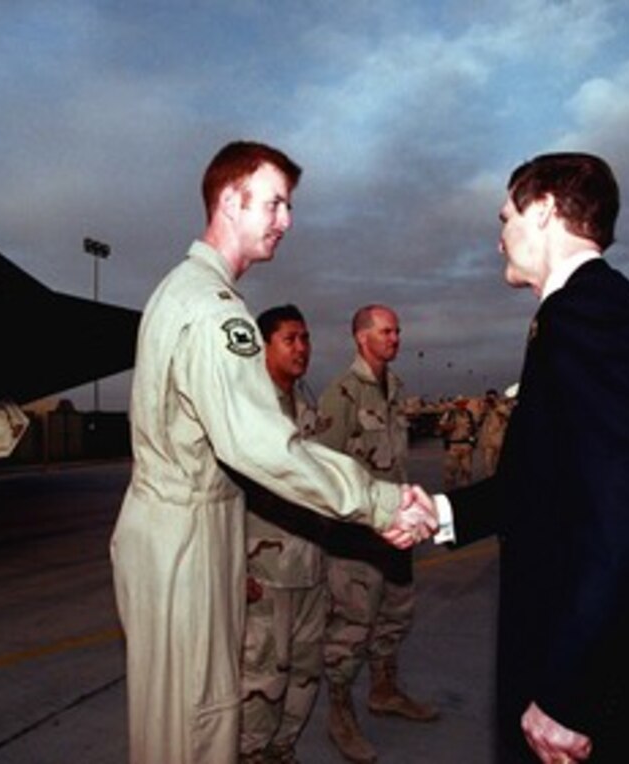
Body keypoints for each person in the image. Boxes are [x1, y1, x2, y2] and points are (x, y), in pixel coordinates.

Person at [109, 141, 434, 764]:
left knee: (172, 723)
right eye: (276, 203)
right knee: (197, 729)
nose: (287, 220)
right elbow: (260, 444)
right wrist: (379, 501)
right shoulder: (213, 311)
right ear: (231, 200)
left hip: (173, 526)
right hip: (187, 537)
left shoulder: (180, 291)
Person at [419, 152, 629, 762]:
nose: (498, 235)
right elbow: (546, 484)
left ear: (544, 210)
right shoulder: (586, 312)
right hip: (609, 671)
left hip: (612, 695)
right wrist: (438, 511)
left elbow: (625, 514)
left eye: (506, 216)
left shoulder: (590, 317)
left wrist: (567, 695)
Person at [315, 304, 439, 764]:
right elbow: (321, 469)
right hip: (358, 538)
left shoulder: (396, 390)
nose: (396, 339)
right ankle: (340, 713)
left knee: (394, 618)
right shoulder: (341, 395)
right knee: (351, 629)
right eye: (387, 331)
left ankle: (384, 691)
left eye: (398, 331)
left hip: (397, 533)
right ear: (361, 337)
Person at [238, 304, 329, 764]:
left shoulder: (307, 411)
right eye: (290, 339)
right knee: (262, 679)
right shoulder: (248, 410)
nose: (302, 348)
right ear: (264, 345)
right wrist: (234, 568)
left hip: (311, 568)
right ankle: (252, 755)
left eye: (306, 338)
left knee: (306, 673)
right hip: (265, 573)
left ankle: (282, 751)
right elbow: (226, 496)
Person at [437, 396, 478, 489]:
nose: (462, 405)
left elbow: (474, 428)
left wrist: (473, 439)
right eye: (459, 404)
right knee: (451, 469)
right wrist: (449, 427)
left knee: (467, 469)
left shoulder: (469, 414)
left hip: (466, 445)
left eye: (463, 403)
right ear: (456, 405)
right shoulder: (450, 414)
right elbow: (441, 426)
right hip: (453, 445)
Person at [477, 388, 511, 477]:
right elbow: (478, 422)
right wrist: (484, 410)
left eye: (491, 398)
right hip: (487, 441)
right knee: (487, 465)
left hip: (499, 440)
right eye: (488, 398)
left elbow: (508, 415)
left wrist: (496, 405)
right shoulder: (486, 409)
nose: (490, 400)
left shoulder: (501, 407)